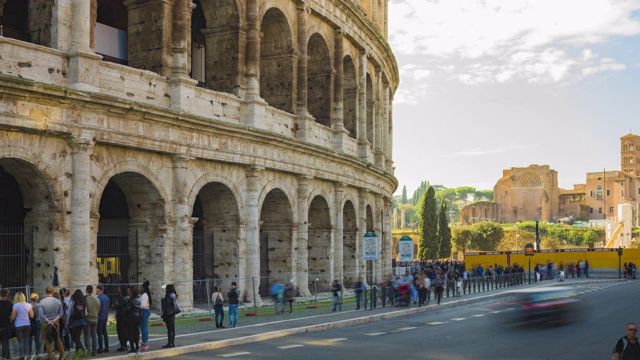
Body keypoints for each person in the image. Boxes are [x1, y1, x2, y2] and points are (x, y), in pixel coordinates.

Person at [40, 286, 65, 360]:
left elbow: (41, 314)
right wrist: (54, 320)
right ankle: (62, 355)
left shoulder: (42, 302)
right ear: (53, 292)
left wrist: (48, 320)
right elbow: (61, 313)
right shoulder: (58, 301)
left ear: (46, 292)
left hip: (45, 322)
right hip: (56, 322)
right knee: (57, 339)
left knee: (48, 340)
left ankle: (50, 357)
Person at [11, 291, 35, 358]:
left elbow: (13, 317)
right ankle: (28, 356)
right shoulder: (28, 305)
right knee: (27, 341)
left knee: (21, 342)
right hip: (27, 324)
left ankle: (22, 356)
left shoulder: (15, 306)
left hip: (18, 325)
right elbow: (32, 316)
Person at [66, 289, 87, 354]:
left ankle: (79, 351)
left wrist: (67, 322)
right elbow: (86, 313)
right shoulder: (83, 301)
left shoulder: (72, 301)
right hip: (81, 321)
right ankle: (81, 350)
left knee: (74, 337)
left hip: (73, 321)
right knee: (77, 336)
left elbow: (69, 312)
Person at [84, 285, 100, 356]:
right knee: (94, 335)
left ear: (86, 291)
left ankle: (88, 351)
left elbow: (85, 310)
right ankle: (95, 351)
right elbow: (98, 309)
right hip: (95, 318)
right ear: (92, 291)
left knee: (87, 335)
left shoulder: (85, 299)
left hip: (88, 319)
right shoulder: (97, 300)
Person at [161, 284, 178, 348]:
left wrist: (162, 300)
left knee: (169, 329)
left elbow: (166, 303)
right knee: (172, 328)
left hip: (168, 313)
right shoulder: (173, 295)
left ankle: (169, 343)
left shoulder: (168, 296)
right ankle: (172, 342)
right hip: (172, 312)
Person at [125, 286, 141, 354]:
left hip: (131, 317)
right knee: (136, 331)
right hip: (137, 316)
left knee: (130, 332)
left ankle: (132, 347)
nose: (128, 292)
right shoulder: (137, 300)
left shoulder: (129, 300)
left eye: (129, 291)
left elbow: (127, 309)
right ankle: (137, 346)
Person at [114, 285, 129, 352]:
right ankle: (124, 344)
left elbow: (118, 306)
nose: (118, 290)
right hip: (126, 316)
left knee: (121, 331)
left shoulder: (121, 298)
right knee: (125, 331)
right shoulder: (127, 297)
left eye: (119, 288)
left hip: (121, 316)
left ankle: (123, 345)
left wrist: (115, 305)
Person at [96, 285, 110, 354]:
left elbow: (98, 308)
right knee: (105, 332)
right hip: (105, 316)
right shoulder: (106, 297)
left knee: (99, 333)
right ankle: (106, 347)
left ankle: (100, 348)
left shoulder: (98, 298)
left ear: (99, 290)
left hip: (100, 317)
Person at [0, 289, 13, 359]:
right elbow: (11, 316)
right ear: (7, 295)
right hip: (6, 325)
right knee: (5, 342)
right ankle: (6, 356)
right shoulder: (9, 304)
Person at [139, 280, 152, 351]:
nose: (139, 289)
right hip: (146, 311)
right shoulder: (146, 295)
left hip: (144, 311)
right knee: (145, 328)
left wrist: (137, 305)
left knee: (143, 328)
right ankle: (145, 342)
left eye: (140, 287)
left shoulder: (144, 296)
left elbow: (143, 305)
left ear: (143, 288)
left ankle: (144, 343)